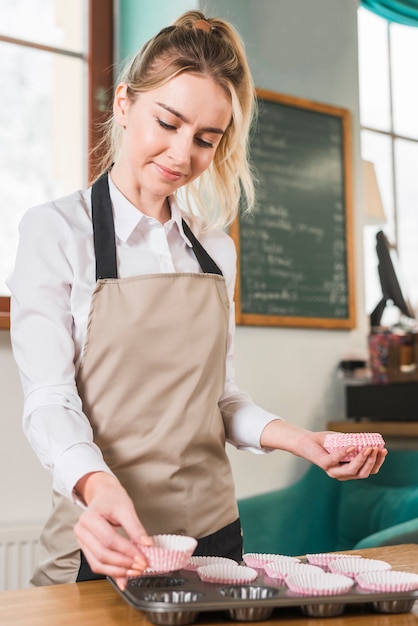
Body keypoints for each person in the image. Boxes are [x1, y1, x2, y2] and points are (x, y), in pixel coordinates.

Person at [7, 10, 387, 591]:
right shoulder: (56, 231)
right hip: (107, 539)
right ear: (126, 103)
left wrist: (301, 441)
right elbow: (50, 401)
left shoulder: (214, 249)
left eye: (206, 139)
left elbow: (223, 399)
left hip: (215, 539)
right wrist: (96, 484)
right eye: (168, 122)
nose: (182, 155)